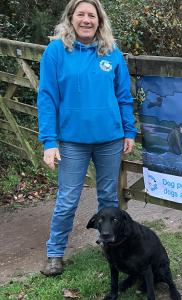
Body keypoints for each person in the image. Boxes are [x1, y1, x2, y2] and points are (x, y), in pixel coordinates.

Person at [37, 0, 136, 276]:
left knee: (108, 198)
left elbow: (124, 97)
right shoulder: (57, 51)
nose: (86, 20)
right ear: (71, 18)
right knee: (68, 198)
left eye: (91, 15)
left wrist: (129, 130)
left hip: (109, 140)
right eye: (80, 14)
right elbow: (46, 97)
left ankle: (111, 246)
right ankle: (55, 253)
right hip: (71, 141)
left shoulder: (111, 52)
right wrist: (49, 141)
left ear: (99, 20)